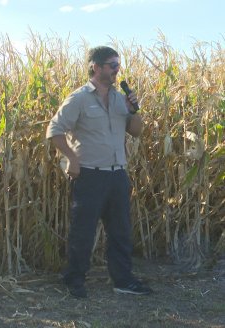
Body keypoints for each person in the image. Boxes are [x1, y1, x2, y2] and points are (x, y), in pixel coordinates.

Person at [46, 46, 153, 298]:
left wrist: (134, 110)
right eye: (113, 65)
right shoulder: (79, 98)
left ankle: (123, 280)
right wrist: (71, 159)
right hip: (90, 175)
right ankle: (75, 280)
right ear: (96, 66)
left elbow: (136, 131)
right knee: (83, 231)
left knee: (121, 231)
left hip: (117, 174)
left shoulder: (119, 99)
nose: (118, 70)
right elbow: (54, 130)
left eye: (118, 65)